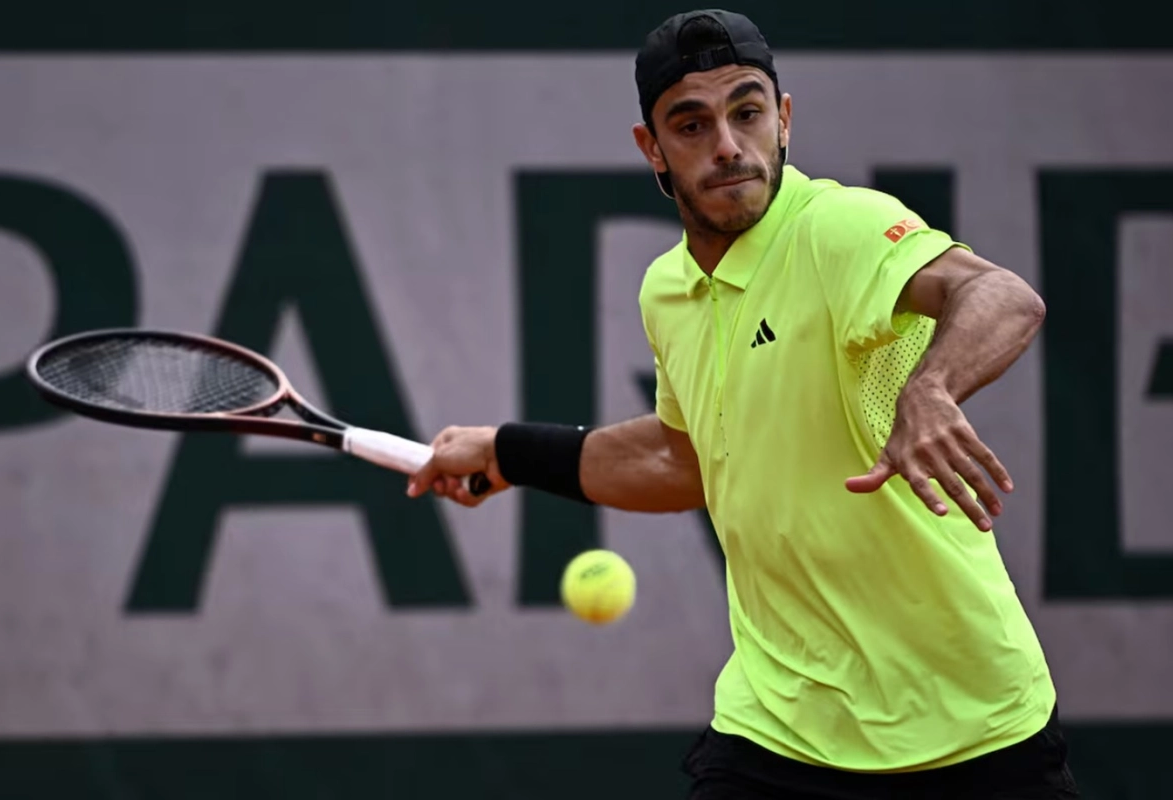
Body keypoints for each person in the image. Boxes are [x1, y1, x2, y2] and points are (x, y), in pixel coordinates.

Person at [407, 9, 1079, 799]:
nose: (727, 145)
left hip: (968, 728)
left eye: (748, 112)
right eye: (692, 125)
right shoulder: (668, 291)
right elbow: (683, 458)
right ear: (652, 148)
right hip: (779, 724)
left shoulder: (839, 228)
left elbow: (1001, 295)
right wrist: (508, 451)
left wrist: (930, 389)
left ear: (784, 119)